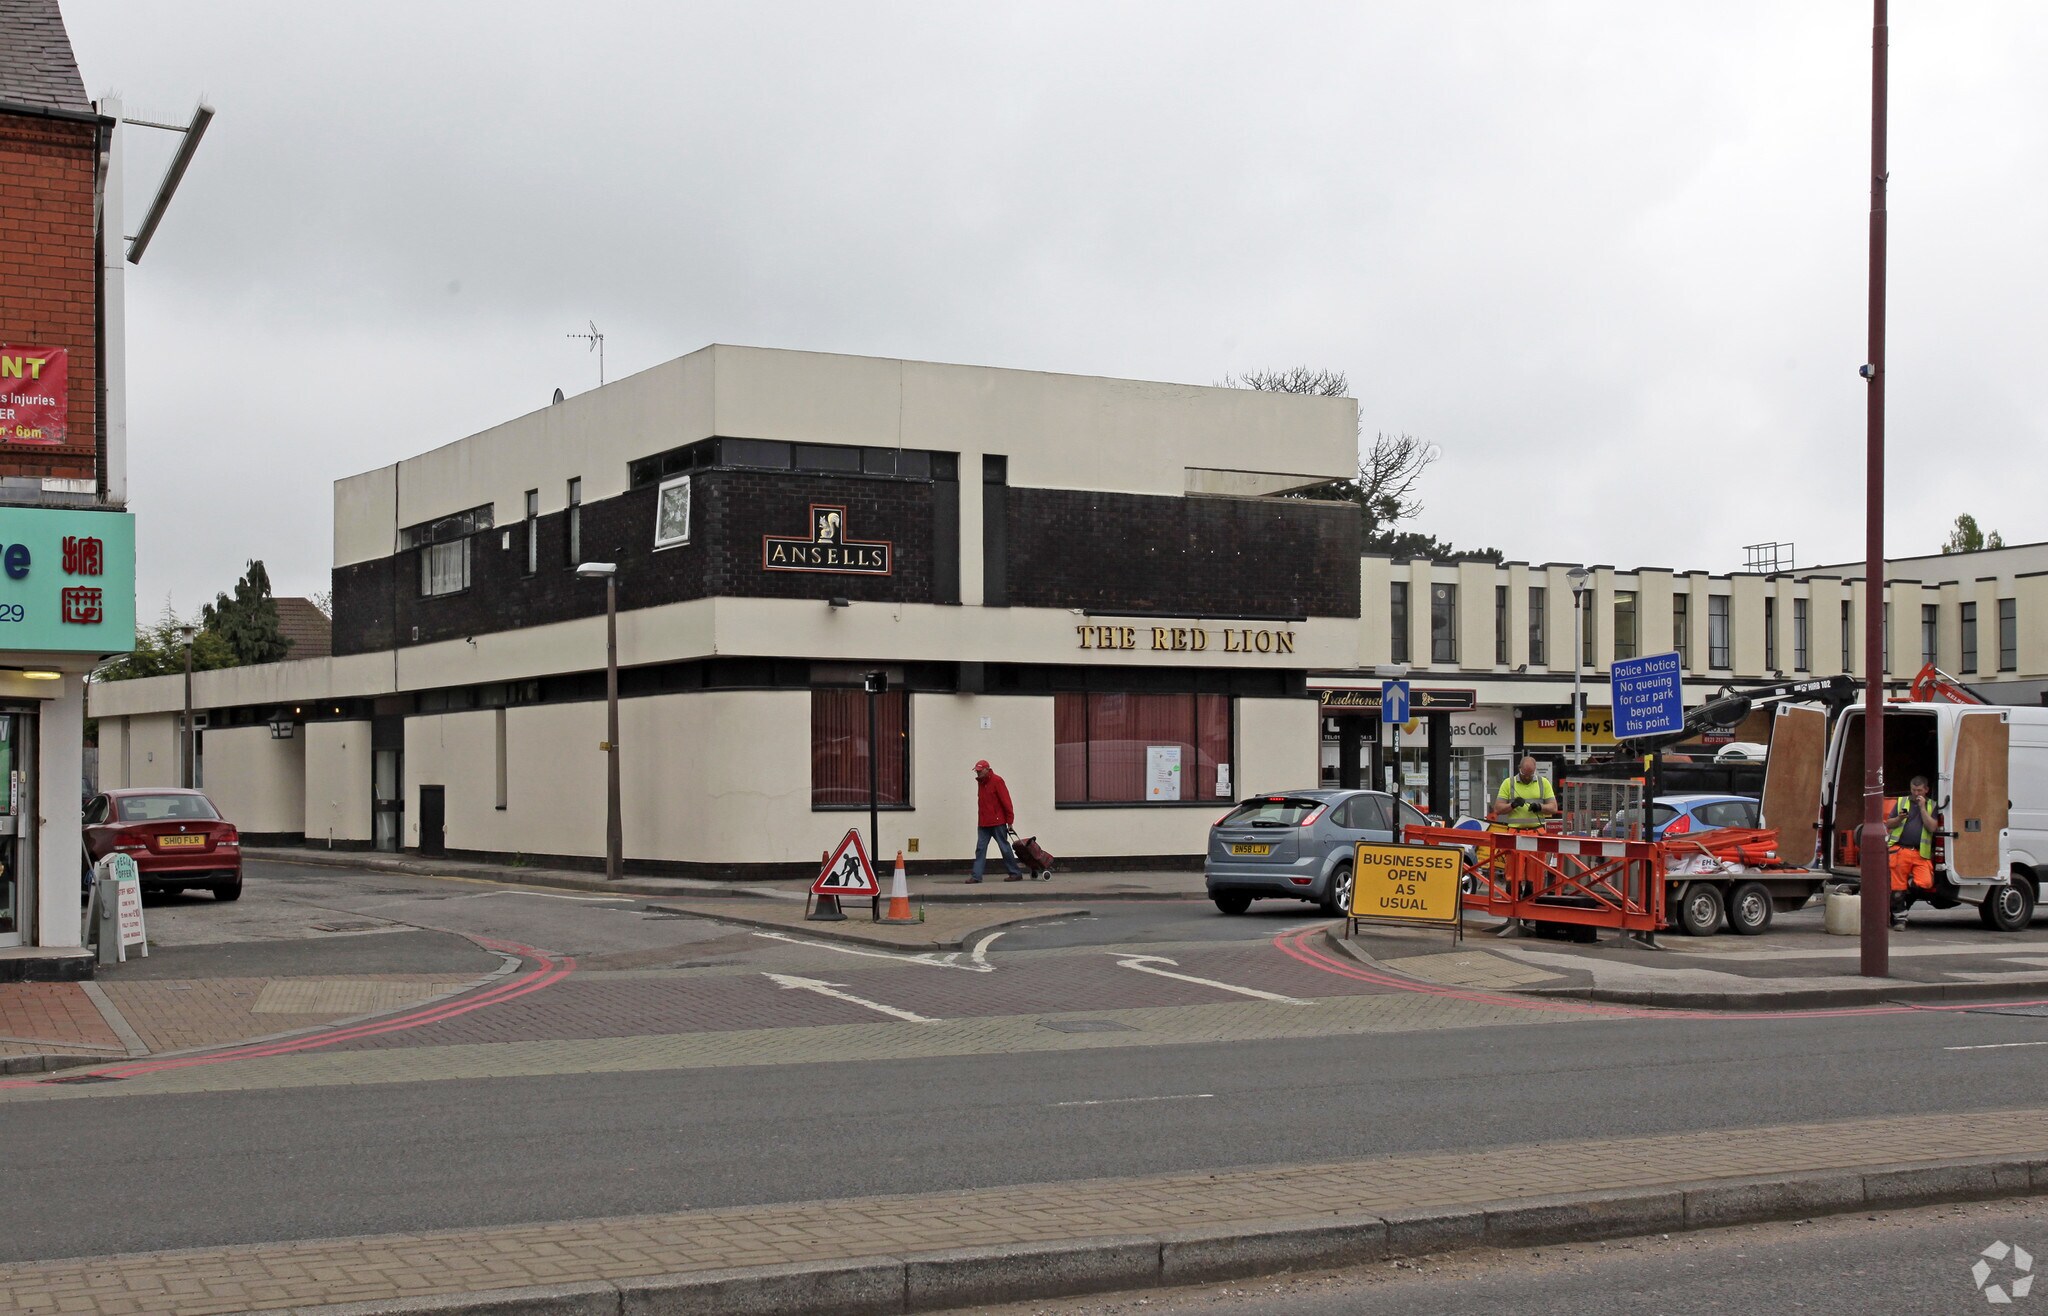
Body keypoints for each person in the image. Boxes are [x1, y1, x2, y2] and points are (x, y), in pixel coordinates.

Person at [1887, 775, 1938, 929]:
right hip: (1900, 850)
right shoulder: (1902, 802)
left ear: (1926, 790)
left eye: (1919, 790)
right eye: (1914, 790)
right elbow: (1889, 823)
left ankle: (1908, 889)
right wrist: (1899, 818)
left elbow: (1932, 827)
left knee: (1925, 883)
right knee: (1897, 889)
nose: (1916, 794)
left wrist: (1922, 808)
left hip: (1920, 853)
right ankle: (1899, 920)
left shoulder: (1932, 805)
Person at [970, 759, 1023, 883]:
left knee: (1004, 848)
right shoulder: (981, 782)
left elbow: (1006, 801)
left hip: (997, 822)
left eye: (979, 771)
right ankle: (976, 876)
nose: (977, 773)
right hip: (983, 822)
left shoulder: (997, 781)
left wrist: (1010, 821)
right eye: (976, 771)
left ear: (986, 770)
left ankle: (1015, 873)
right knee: (980, 849)